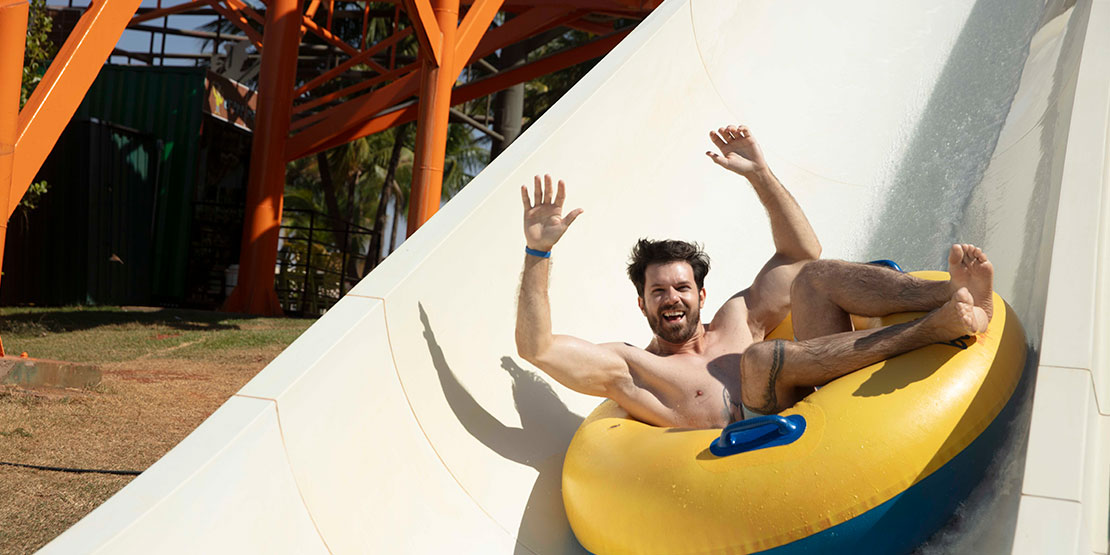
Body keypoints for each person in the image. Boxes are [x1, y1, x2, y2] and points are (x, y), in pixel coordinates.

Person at [515, 125, 993, 429]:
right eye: (657, 291)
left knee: (814, 276)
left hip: (828, 395)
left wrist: (759, 174)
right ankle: (933, 328)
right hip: (768, 441)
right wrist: (539, 250)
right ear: (642, 304)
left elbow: (800, 251)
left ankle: (950, 293)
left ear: (701, 294)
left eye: (681, 287)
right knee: (760, 360)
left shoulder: (736, 318)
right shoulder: (633, 369)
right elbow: (539, 349)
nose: (671, 299)